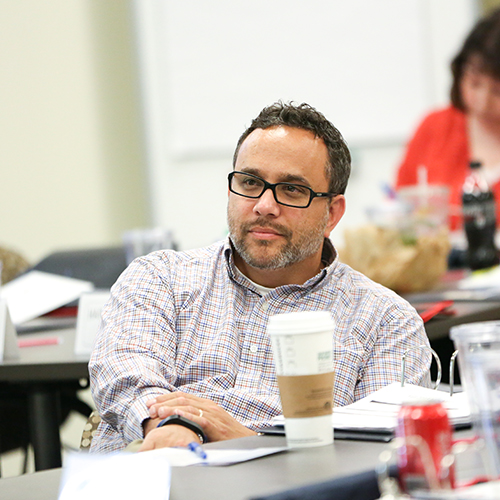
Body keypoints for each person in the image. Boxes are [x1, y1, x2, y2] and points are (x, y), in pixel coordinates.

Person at [89, 101, 430, 453]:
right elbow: (124, 378)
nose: (265, 205)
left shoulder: (386, 321)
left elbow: (375, 455)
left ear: (332, 213)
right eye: (250, 182)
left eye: (291, 190)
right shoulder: (159, 277)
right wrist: (173, 427)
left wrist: (245, 442)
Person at [395, 7, 500, 231]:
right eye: (474, 83)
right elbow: (402, 206)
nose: (482, 102)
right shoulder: (436, 127)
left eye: (497, 92)